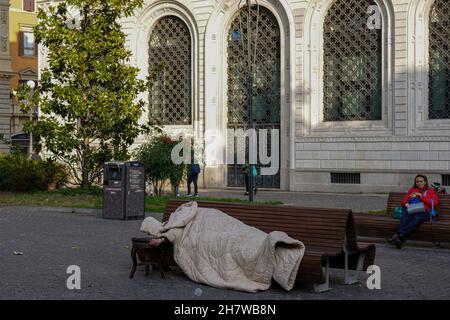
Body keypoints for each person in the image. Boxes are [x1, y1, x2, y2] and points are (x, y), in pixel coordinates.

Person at [389, 174, 439, 249]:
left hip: (426, 212)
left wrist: (421, 196)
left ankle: (399, 235)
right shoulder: (412, 190)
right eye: (417, 181)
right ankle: (400, 238)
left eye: (421, 181)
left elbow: (434, 203)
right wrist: (408, 202)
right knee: (406, 213)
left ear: (425, 182)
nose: (419, 183)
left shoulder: (430, 191)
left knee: (417, 217)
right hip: (412, 209)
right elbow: (403, 202)